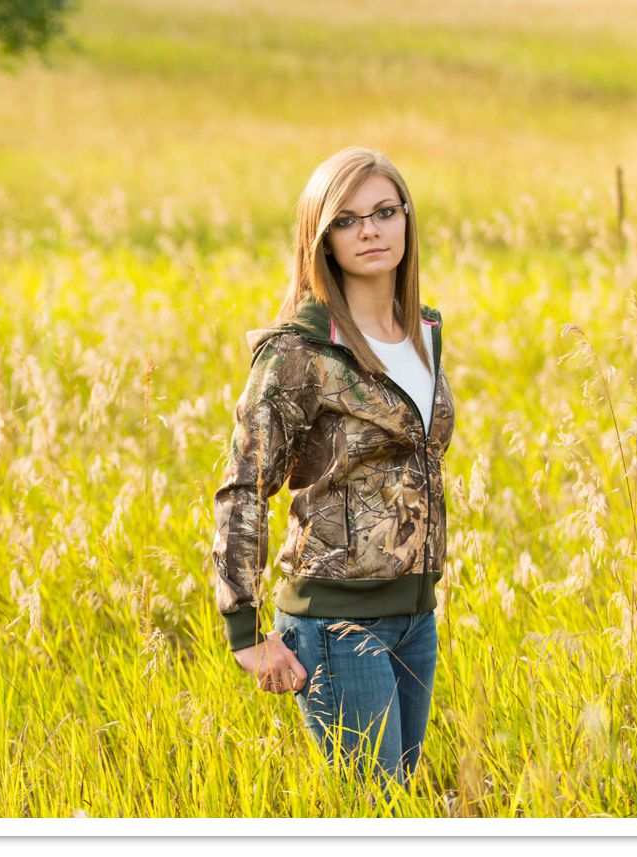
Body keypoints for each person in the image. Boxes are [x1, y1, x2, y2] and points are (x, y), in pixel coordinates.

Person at [211, 145, 455, 797]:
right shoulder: (299, 351)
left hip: (414, 616)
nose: (370, 230)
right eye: (346, 220)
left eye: (383, 211)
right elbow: (242, 487)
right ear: (320, 238)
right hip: (336, 624)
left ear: (407, 219)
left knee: (399, 803)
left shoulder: (422, 331)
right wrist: (246, 629)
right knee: (376, 810)